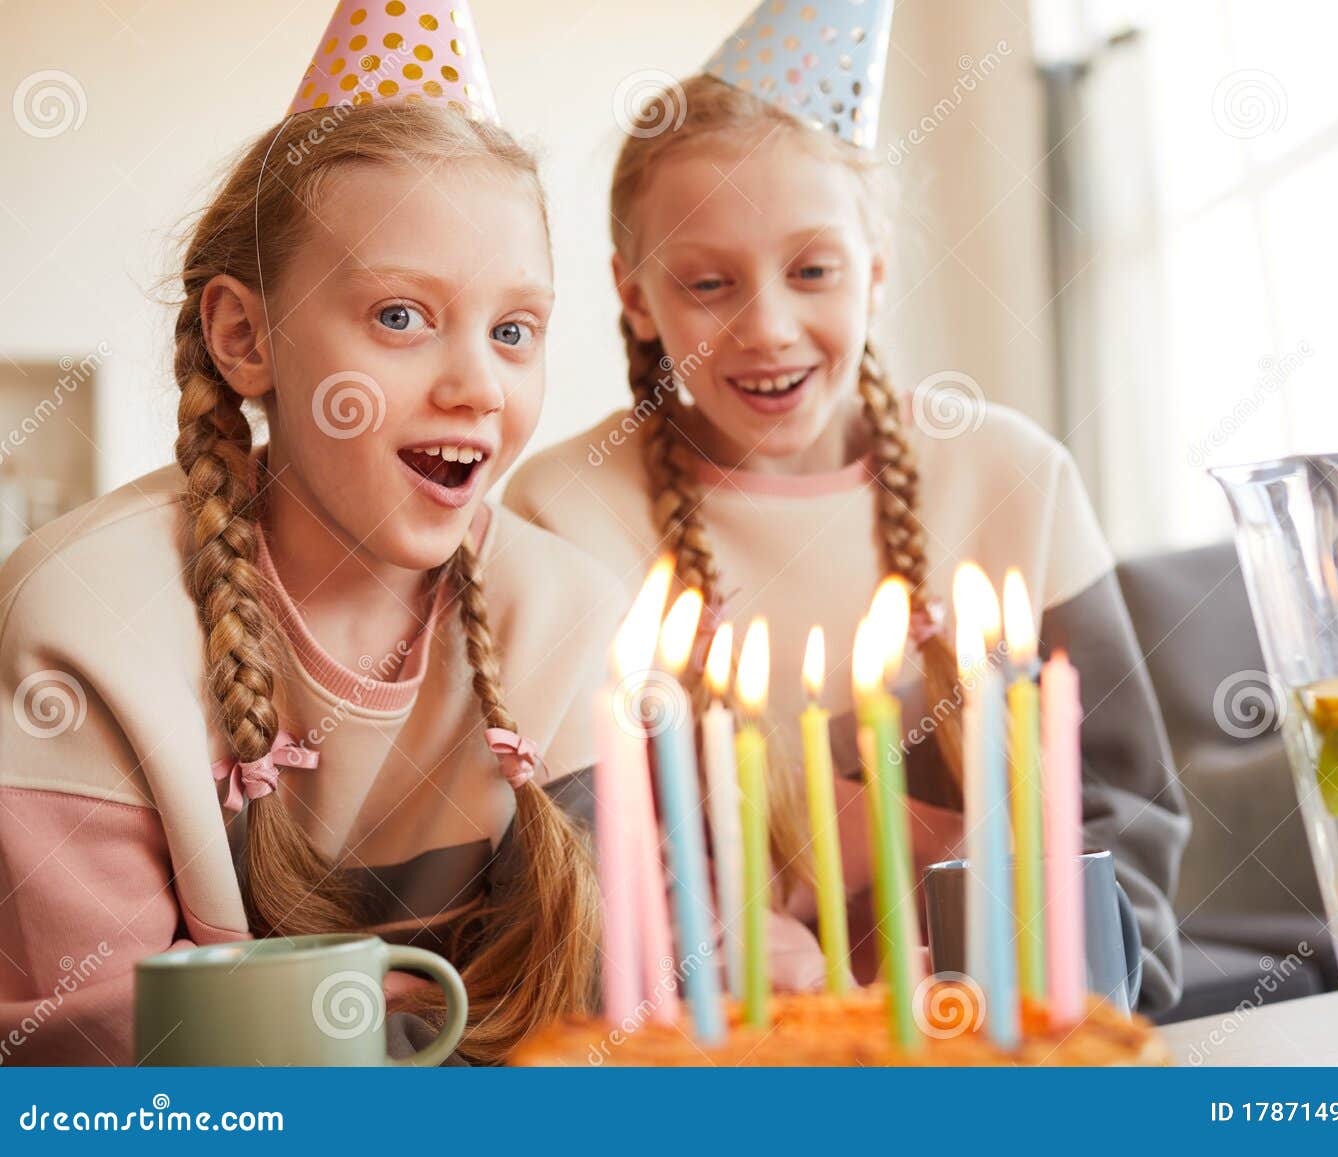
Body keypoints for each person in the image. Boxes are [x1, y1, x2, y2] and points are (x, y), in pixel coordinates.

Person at [503, 0, 1189, 1011]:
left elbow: (1116, 817)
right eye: (706, 282)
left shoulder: (1010, 473)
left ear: (873, 265)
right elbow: (589, 852)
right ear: (634, 294)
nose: (767, 326)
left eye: (812, 270)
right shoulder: (561, 511)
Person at [0, 1, 622, 1064]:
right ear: (245, 336)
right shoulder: (81, 613)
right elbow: (76, 1070)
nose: (477, 384)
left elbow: (628, 1003)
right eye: (399, 316)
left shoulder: (565, 609)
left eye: (514, 329)